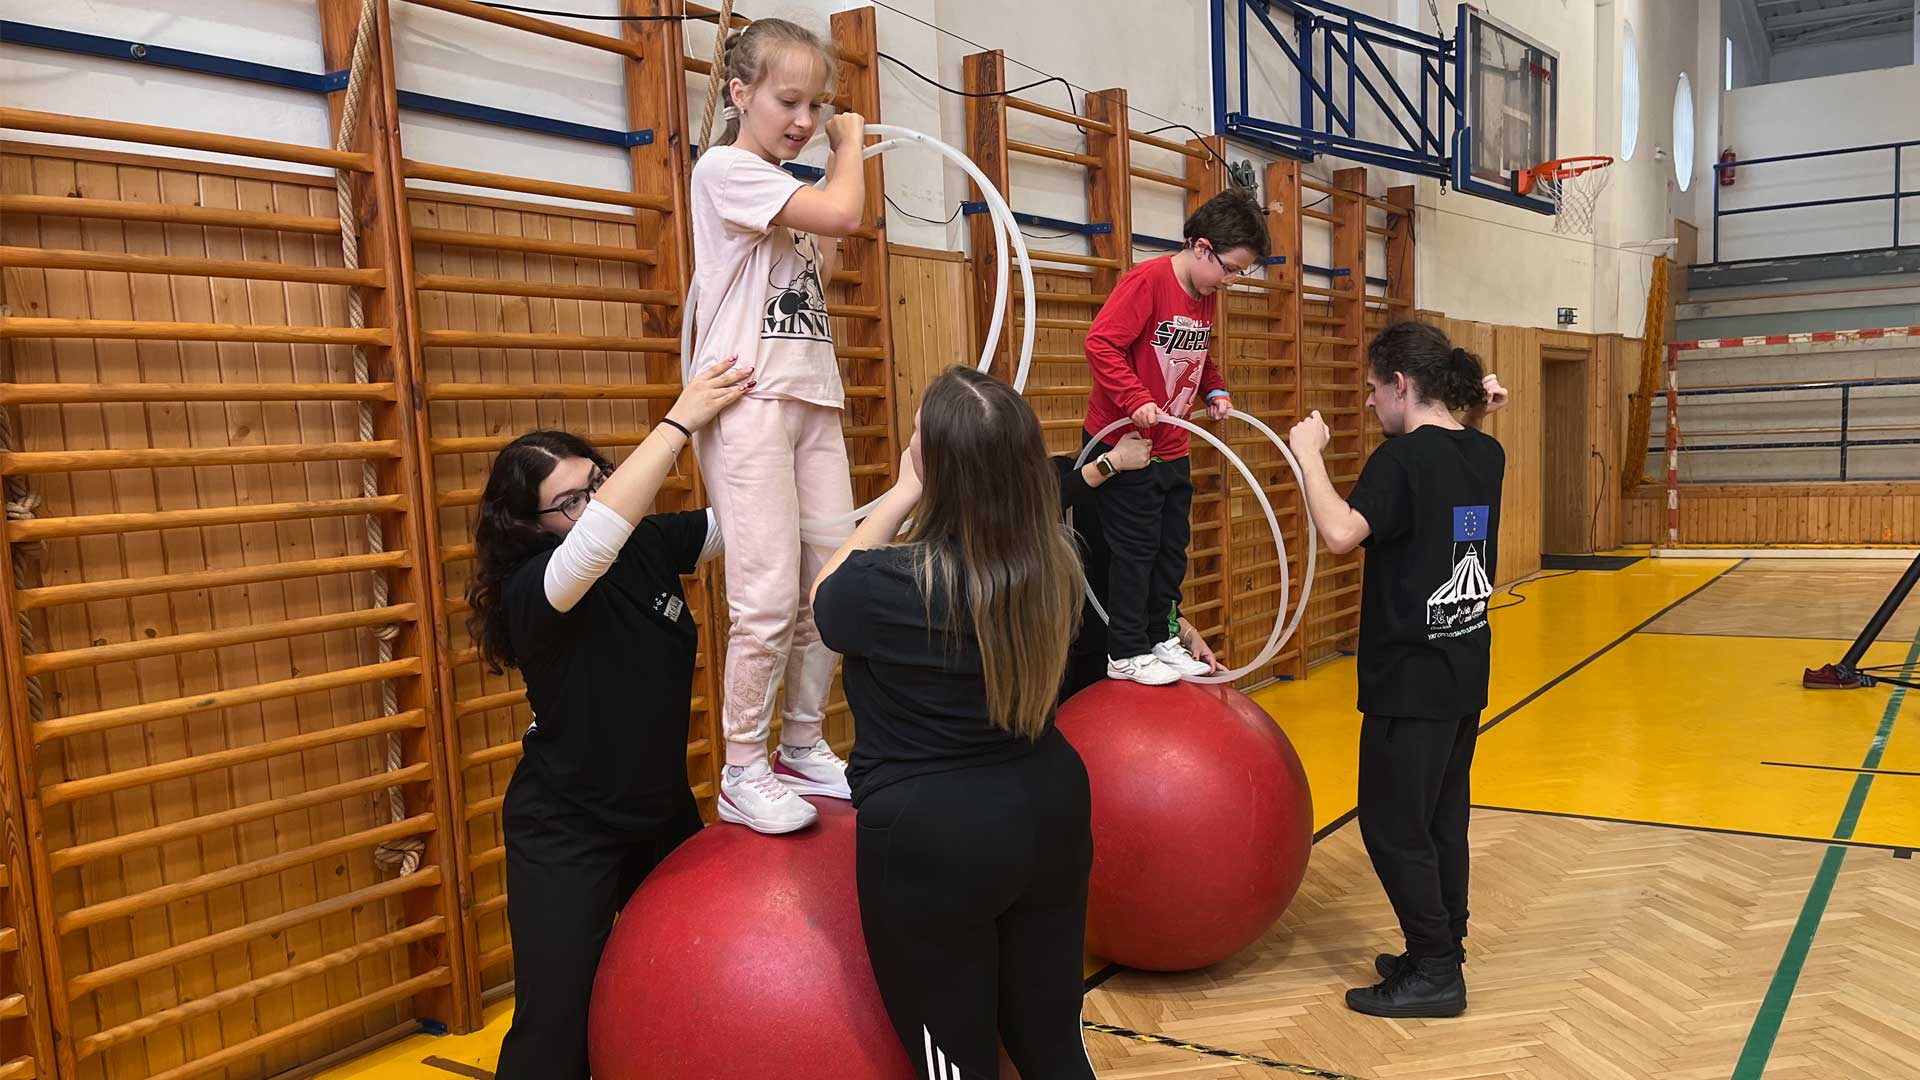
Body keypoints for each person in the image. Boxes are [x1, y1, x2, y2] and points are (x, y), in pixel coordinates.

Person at [812, 367, 1097, 1079]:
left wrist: (904, 490)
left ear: (936, 466)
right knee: (1054, 1046)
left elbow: (824, 594)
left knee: (958, 1068)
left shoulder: (885, 585)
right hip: (1051, 809)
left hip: (934, 838)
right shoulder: (1057, 566)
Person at [469, 361, 752, 1078]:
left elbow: (758, 517)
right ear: (529, 526)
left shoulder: (647, 544)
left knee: (703, 981)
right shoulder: (535, 589)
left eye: (597, 481)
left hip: (657, 812)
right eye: (570, 501)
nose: (594, 504)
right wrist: (680, 422)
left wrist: (906, 488)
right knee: (556, 1031)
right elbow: (593, 540)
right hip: (568, 826)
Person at [1286, 321, 1511, 1019]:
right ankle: (1441, 949)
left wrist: (1308, 457)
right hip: (1462, 668)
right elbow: (1456, 447)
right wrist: (1478, 407)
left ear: (1402, 385)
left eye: (1374, 388)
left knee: (1392, 827)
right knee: (1441, 820)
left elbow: (1339, 533)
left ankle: (1435, 969)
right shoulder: (1486, 451)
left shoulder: (1400, 461)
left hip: (1410, 680)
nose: (1369, 402)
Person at [688, 17, 870, 833]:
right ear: (740, 93)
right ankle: (742, 767)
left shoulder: (783, 192)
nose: (805, 118)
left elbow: (824, 254)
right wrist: (848, 144)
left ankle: (800, 742)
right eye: (788, 101)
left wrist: (826, 173)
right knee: (763, 599)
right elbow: (847, 216)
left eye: (817, 104)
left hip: (812, 397)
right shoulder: (727, 168)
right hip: (749, 398)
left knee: (830, 586)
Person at [1082, 187, 1270, 686]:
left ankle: (1159, 637)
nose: (1231, 281)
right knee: (1135, 551)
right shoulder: (1148, 281)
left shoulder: (1205, 296)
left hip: (1172, 446)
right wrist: (1134, 398)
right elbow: (1100, 344)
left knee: (1170, 549)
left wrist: (1215, 390)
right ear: (1203, 248)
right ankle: (1125, 650)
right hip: (1127, 447)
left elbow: (1197, 355)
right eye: (1231, 269)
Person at [1053, 435, 1221, 701]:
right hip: (1065, 648)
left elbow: (1146, 576)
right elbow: (1033, 503)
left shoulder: (1152, 488)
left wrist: (1186, 634)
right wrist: (1112, 463)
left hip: (1127, 648)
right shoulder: (1067, 471)